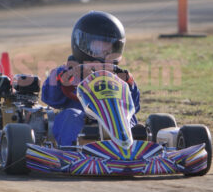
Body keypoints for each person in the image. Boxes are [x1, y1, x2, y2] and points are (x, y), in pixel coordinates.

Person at [41, 11, 140, 146]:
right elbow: (50, 99)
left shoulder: (118, 76)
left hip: (112, 118)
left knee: (130, 119)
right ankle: (70, 150)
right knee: (71, 115)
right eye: (98, 48)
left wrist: (129, 84)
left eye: (109, 50)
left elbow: (133, 106)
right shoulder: (65, 72)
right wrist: (62, 80)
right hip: (81, 121)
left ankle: (136, 146)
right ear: (82, 44)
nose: (104, 53)